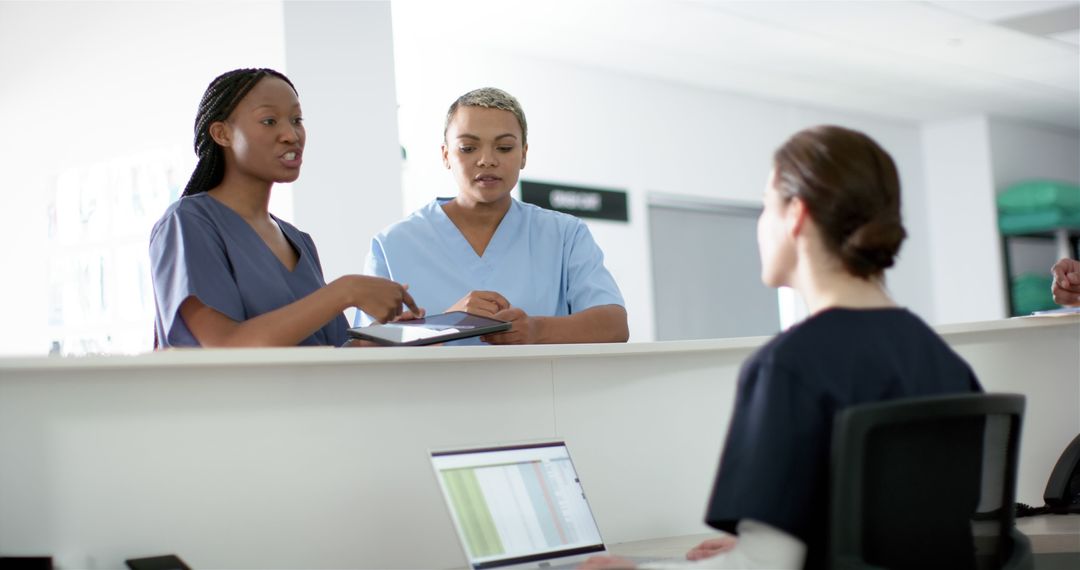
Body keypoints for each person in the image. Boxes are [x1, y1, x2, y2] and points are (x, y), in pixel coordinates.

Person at [580, 126, 982, 570]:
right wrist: (783, 544)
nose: (760, 225)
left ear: (796, 215)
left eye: (766, 206)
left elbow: (764, 568)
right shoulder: (944, 361)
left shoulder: (790, 365)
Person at [150, 68, 421, 348]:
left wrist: (380, 338)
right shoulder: (187, 223)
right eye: (269, 121)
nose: (291, 135)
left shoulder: (299, 241)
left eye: (297, 120)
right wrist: (345, 291)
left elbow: (330, 358)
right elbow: (226, 347)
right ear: (222, 134)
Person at [357, 87, 628, 344]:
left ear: (523, 154)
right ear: (446, 155)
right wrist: (447, 323)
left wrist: (536, 330)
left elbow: (614, 325)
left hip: (542, 392)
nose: (487, 159)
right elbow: (364, 346)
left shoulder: (565, 235)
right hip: (431, 393)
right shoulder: (393, 245)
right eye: (468, 148)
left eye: (504, 147)